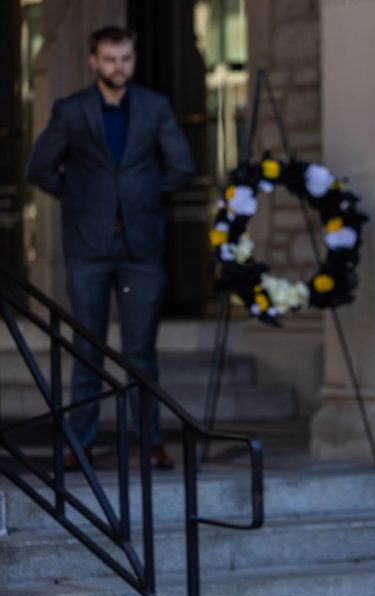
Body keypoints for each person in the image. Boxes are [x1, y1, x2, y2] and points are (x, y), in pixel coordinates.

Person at [26, 25, 195, 470]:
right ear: (93, 61)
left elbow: (181, 167)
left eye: (125, 59)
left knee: (141, 350)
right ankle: (78, 443)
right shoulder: (71, 110)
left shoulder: (155, 108)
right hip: (88, 247)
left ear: (133, 59)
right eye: (110, 59)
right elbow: (40, 169)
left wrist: (140, 195)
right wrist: (82, 197)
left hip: (141, 247)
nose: (118, 67)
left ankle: (150, 441)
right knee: (87, 348)